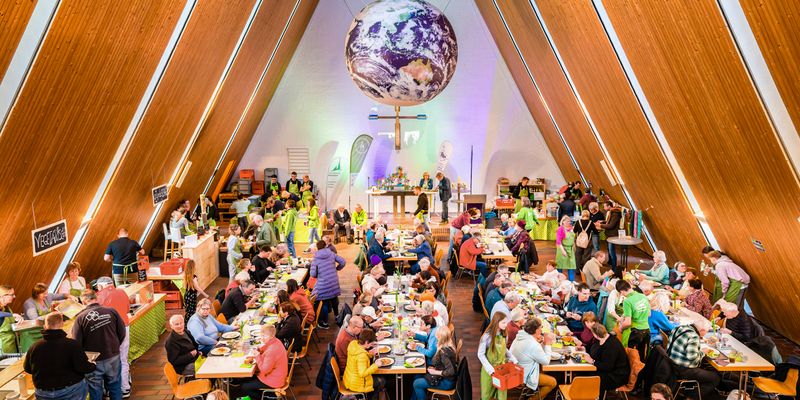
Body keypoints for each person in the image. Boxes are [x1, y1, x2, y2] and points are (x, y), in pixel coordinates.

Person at [24, 312, 96, 400]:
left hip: (43, 393)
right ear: (62, 325)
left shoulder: (34, 347)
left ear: (45, 327)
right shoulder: (73, 345)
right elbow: (84, 368)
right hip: (71, 390)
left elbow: (28, 369)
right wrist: (92, 365)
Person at [73, 290, 126, 400]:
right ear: (96, 298)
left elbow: (76, 343)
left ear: (83, 302)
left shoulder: (80, 318)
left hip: (93, 360)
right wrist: (115, 347)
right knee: (115, 388)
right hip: (112, 356)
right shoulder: (112, 311)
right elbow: (122, 333)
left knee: (95, 392)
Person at [95, 277, 132, 397]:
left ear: (100, 286)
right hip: (125, 325)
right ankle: (125, 388)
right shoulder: (122, 291)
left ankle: (111, 390)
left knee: (109, 359)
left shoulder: (100, 295)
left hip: (108, 328)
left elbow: (96, 313)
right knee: (123, 357)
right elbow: (128, 309)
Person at [666, 320, 721, 398]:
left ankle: (685, 390)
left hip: (669, 363)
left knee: (704, 368)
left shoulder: (679, 327)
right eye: (706, 332)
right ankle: (691, 396)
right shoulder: (693, 336)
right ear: (702, 330)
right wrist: (703, 352)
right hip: (681, 369)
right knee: (715, 378)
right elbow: (692, 358)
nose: (705, 334)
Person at [510, 317, 558, 398]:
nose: (541, 329)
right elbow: (546, 362)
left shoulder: (520, 336)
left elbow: (535, 352)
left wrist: (544, 343)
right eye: (540, 327)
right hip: (524, 377)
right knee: (553, 382)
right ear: (537, 331)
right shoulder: (532, 344)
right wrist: (548, 344)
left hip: (515, 372)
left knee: (543, 371)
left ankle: (528, 392)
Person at [478, 313, 518, 400]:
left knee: (502, 394)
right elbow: (480, 354)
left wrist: (512, 358)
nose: (506, 324)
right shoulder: (487, 336)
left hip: (502, 368)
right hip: (490, 368)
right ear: (496, 322)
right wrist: (490, 369)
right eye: (503, 322)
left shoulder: (504, 332)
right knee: (486, 394)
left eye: (506, 322)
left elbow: (504, 348)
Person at [411, 326, 458, 400]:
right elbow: (444, 365)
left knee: (417, 383)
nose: (435, 332)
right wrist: (435, 368)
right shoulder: (447, 345)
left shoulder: (444, 352)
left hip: (446, 382)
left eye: (436, 332)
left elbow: (450, 371)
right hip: (444, 378)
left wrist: (435, 372)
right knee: (418, 375)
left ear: (440, 336)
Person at [241, 325, 288, 399]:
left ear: (271, 336)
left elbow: (265, 370)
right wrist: (261, 351)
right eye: (261, 335)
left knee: (245, 387)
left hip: (274, 380)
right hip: (280, 376)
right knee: (247, 379)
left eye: (265, 336)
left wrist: (257, 356)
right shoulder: (276, 341)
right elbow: (268, 353)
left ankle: (268, 398)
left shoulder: (271, 351)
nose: (262, 338)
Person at [583, 324, 630, 392]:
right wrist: (584, 348)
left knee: (587, 377)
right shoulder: (600, 338)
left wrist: (592, 361)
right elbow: (594, 348)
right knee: (582, 373)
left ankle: (594, 395)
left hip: (616, 375)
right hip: (606, 370)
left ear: (596, 335)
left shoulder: (611, 345)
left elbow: (608, 367)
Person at [311, 241, 346, 329]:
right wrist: (337, 268)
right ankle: (337, 316)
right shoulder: (331, 254)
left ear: (317, 248)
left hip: (323, 283)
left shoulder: (316, 258)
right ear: (325, 246)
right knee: (334, 298)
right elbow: (343, 262)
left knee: (324, 302)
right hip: (333, 280)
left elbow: (313, 274)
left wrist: (319, 273)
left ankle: (325, 323)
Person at [344, 329, 385, 400]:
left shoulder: (353, 345)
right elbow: (362, 373)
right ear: (366, 342)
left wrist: (369, 354)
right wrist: (376, 365)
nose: (371, 344)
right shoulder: (362, 356)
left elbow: (359, 358)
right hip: (358, 385)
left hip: (350, 380)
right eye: (370, 343)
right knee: (382, 380)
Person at [618, 280, 650, 361]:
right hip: (646, 331)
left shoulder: (627, 301)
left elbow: (628, 323)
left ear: (622, 292)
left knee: (631, 358)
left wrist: (620, 329)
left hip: (634, 333)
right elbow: (649, 314)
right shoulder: (644, 296)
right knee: (642, 357)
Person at [595, 202, 623, 271]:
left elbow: (611, 225)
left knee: (612, 252)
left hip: (612, 235)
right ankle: (610, 262)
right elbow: (609, 222)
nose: (604, 208)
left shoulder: (615, 214)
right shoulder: (612, 212)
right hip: (609, 234)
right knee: (609, 250)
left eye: (605, 206)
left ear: (609, 206)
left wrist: (600, 225)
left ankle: (614, 269)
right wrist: (603, 221)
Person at [0, 286, 23, 354]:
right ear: (3, 296)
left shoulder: (6, 307)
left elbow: (10, 320)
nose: (14, 296)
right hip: (3, 343)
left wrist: (17, 320)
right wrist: (13, 314)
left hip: (12, 341)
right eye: (12, 294)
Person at [556, 216, 577, 281]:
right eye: (567, 221)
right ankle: (558, 280)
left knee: (571, 264)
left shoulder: (571, 227)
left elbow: (572, 238)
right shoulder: (560, 229)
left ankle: (572, 280)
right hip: (562, 248)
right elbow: (558, 242)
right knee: (560, 264)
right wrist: (563, 250)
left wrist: (574, 246)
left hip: (570, 248)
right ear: (563, 221)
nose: (569, 223)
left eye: (569, 221)